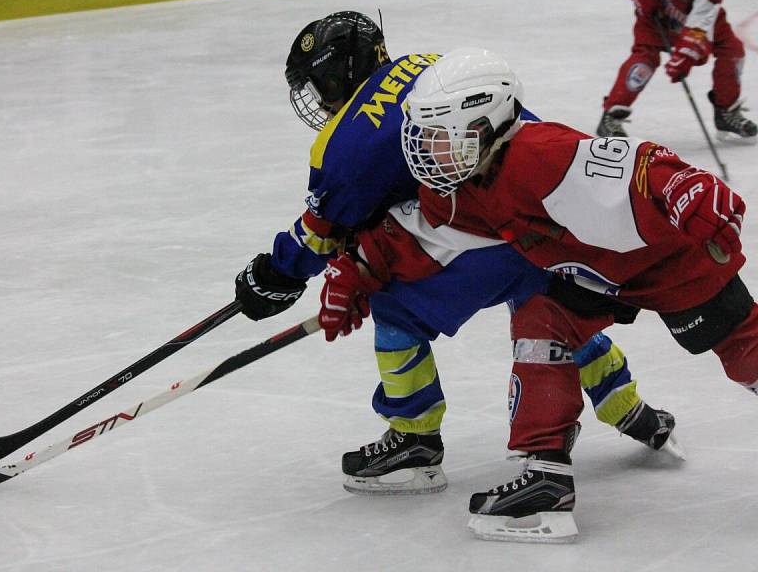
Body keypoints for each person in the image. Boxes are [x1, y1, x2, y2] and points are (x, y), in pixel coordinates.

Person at [233, 12, 680, 499]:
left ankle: (414, 441)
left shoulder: (339, 145)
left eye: (320, 83)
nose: (320, 99)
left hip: (483, 220)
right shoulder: (421, 64)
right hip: (545, 208)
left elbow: (320, 235)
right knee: (545, 306)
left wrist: (274, 274)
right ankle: (629, 409)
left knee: (396, 306)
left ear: (340, 72)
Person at [319, 46, 756, 542]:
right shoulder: (471, 185)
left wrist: (684, 185)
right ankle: (546, 477)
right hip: (591, 277)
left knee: (745, 355)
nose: (427, 151)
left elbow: (633, 163)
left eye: (440, 138)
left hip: (669, 262)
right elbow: (425, 232)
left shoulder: (541, 154)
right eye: (422, 136)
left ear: (484, 127)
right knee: (539, 320)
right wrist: (355, 269)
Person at [597, 0, 757, 140]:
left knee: (732, 51)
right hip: (660, 8)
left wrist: (686, 52)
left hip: (696, 15)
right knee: (645, 58)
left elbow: (704, 14)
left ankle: (726, 110)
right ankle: (612, 115)